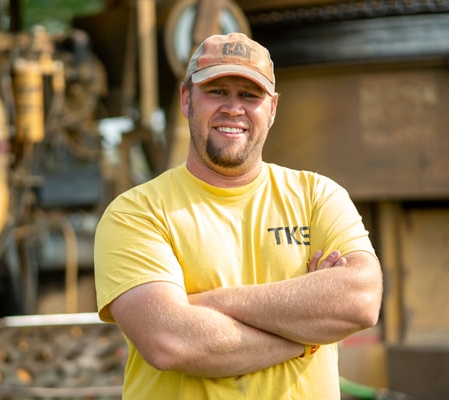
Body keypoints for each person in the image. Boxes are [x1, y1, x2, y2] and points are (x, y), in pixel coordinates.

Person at [94, 32, 383, 399]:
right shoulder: (136, 213)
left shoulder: (317, 196)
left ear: (273, 108)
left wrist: (207, 304)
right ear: (187, 100)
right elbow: (169, 341)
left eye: (249, 95)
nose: (233, 108)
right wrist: (307, 336)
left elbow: (361, 301)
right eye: (217, 91)